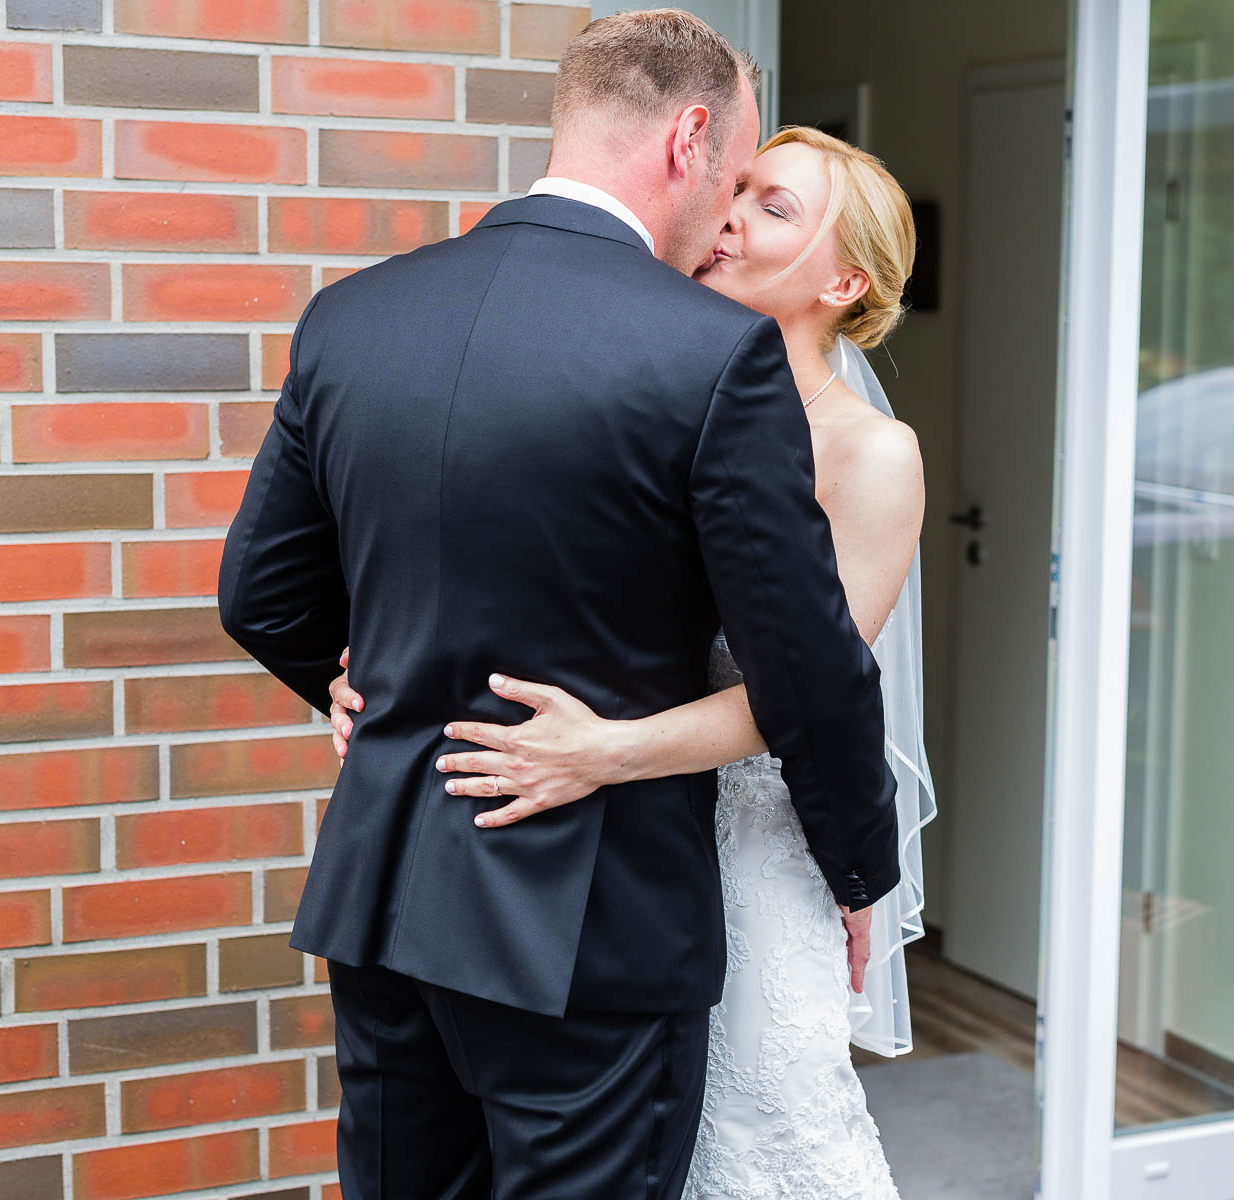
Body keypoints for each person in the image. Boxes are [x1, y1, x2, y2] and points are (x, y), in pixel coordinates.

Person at [215, 9, 902, 1199]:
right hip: (592, 924)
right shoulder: (705, 355)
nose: (729, 212)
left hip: (385, 897)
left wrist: (362, 690)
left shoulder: (356, 315)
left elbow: (260, 594)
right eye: (736, 175)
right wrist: (859, 872)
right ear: (690, 138)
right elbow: (809, 665)